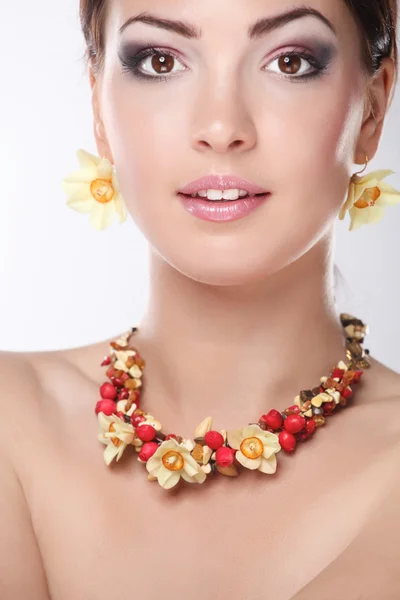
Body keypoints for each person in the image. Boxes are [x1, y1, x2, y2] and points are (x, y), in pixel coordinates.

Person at [1, 1, 400, 598]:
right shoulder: (13, 423)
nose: (221, 126)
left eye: (289, 61)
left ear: (372, 108)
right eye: (160, 60)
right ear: (98, 105)